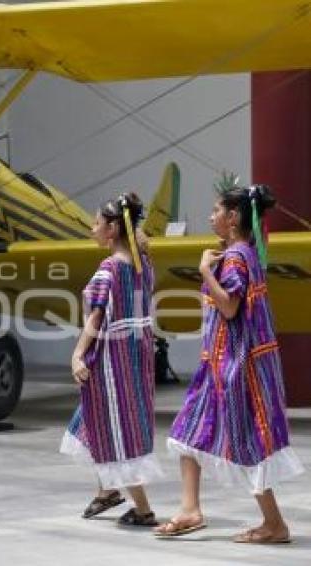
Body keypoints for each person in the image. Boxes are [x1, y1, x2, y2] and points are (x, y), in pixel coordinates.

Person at [155, 184, 304, 542]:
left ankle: (274, 524)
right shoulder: (245, 252)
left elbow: (230, 306)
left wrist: (205, 271)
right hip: (222, 364)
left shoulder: (236, 256)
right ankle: (190, 509)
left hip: (236, 367)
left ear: (233, 218)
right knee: (188, 431)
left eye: (215, 211)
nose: (210, 217)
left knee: (246, 439)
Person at [60, 193, 162, 526]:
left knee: (118, 428)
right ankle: (107, 491)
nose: (92, 228)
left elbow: (96, 319)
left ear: (113, 228)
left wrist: (77, 353)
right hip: (136, 357)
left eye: (96, 223)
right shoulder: (143, 264)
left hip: (113, 360)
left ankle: (144, 509)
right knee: (97, 420)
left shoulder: (110, 269)